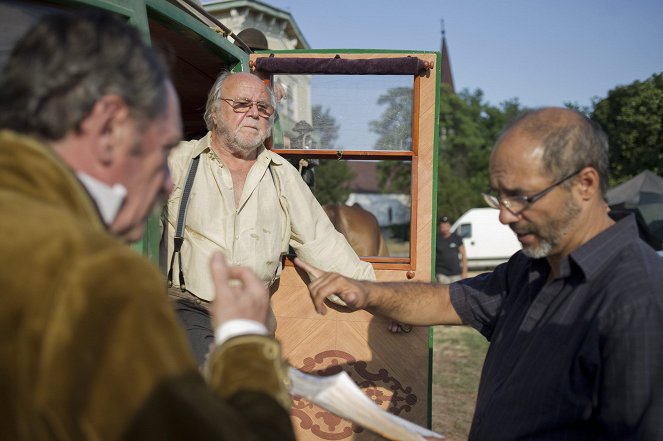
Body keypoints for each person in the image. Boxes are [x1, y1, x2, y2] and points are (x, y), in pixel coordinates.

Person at [0, 12, 294, 440]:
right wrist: (245, 340)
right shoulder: (97, 278)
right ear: (105, 127)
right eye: (159, 148)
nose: (167, 180)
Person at [295, 107, 663, 440]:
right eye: (498, 198)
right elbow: (446, 299)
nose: (504, 215)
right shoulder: (532, 267)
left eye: (521, 197)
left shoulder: (638, 298)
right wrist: (367, 292)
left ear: (585, 184)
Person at [162, 71, 375, 365]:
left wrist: (381, 300)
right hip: (189, 306)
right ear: (214, 111)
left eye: (264, 108)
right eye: (241, 104)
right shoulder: (177, 161)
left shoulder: (283, 176)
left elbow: (325, 245)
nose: (254, 113)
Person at [435, 215, 468, 283]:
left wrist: (464, 272)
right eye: (442, 227)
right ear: (440, 227)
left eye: (446, 226)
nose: (444, 228)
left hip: (455, 274)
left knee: (455, 292)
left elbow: (463, 255)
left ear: (450, 226)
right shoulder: (436, 239)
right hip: (442, 273)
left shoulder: (457, 238)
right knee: (443, 292)